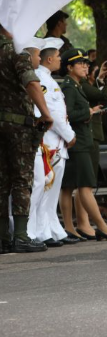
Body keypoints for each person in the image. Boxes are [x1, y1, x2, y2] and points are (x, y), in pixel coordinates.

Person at [58, 49, 107, 243]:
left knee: (70, 186)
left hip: (81, 139)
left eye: (86, 63)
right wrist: (88, 113)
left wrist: (89, 111)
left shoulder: (76, 85)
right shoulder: (70, 87)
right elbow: (67, 114)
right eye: (80, 63)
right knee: (84, 186)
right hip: (79, 140)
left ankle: (70, 228)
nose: (86, 66)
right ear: (69, 67)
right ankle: (101, 227)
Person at [0, 31, 53, 253]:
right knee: (22, 179)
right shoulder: (16, 50)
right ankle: (20, 235)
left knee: (1, 182)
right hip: (18, 126)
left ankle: (2, 237)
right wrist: (46, 113)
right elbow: (31, 82)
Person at [27, 38, 78, 247]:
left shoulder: (49, 79)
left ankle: (51, 228)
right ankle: (38, 230)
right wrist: (70, 135)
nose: (60, 60)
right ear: (49, 59)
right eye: (58, 57)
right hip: (50, 140)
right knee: (43, 186)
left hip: (56, 141)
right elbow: (52, 114)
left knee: (51, 190)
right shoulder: (42, 79)